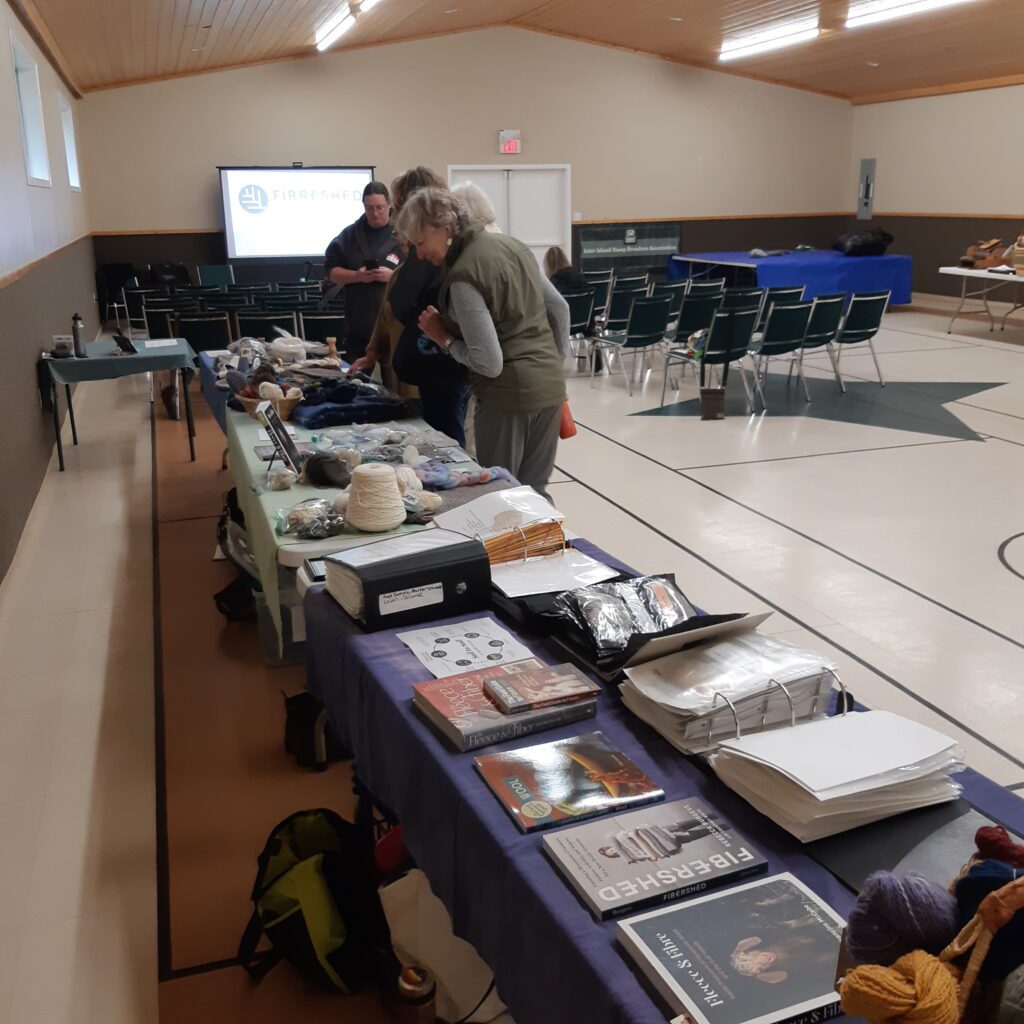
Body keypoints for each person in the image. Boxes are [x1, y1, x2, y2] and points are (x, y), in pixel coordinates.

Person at [397, 188, 569, 498]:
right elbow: (560, 308)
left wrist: (443, 337)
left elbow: (489, 363)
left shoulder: (464, 276)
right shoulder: (514, 246)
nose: (420, 254)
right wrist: (553, 364)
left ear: (446, 227)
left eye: (420, 243)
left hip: (507, 398)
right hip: (550, 390)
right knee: (536, 494)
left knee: (501, 494)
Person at [352, 168, 472, 445]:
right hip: (417, 369)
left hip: (439, 371)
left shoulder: (447, 261)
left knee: (447, 444)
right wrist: (372, 352)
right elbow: (389, 309)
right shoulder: (417, 259)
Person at [324, 181, 402, 362]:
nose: (375, 213)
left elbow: (419, 271)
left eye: (380, 208)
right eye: (369, 208)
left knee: (393, 384)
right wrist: (357, 276)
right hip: (359, 324)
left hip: (393, 324)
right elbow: (331, 271)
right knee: (356, 382)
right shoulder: (349, 235)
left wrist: (392, 277)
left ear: (389, 205)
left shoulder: (403, 233)